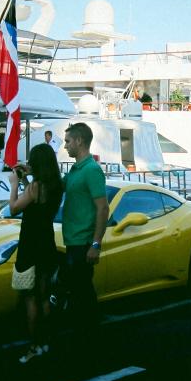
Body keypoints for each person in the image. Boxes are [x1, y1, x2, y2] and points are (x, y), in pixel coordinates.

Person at [9, 144, 64, 364]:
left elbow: (14, 207)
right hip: (46, 243)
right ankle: (45, 342)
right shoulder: (55, 186)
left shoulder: (35, 187)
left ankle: (33, 346)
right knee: (43, 297)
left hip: (30, 245)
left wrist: (14, 185)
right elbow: (36, 201)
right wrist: (25, 180)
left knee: (29, 298)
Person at [58, 122, 109, 337]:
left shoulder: (91, 170)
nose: (65, 146)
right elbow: (57, 186)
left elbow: (103, 208)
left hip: (83, 243)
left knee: (82, 292)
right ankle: (86, 337)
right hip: (72, 241)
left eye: (68, 141)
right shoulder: (75, 169)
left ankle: (89, 339)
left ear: (79, 141)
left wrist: (95, 244)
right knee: (80, 291)